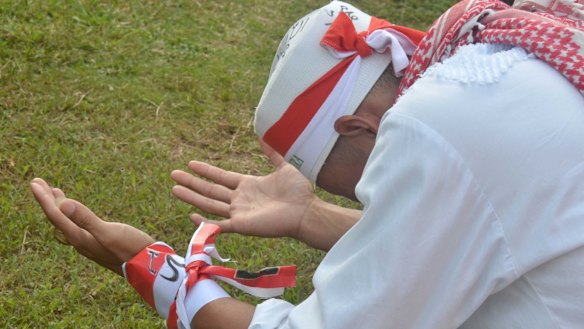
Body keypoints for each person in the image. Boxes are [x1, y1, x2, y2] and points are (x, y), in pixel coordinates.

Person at [33, 1, 584, 328]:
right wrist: (307, 216)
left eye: (354, 188)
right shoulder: (510, 62)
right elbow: (473, 233)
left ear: (359, 130)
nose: (362, 198)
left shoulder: (441, 126)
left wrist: (150, 267)